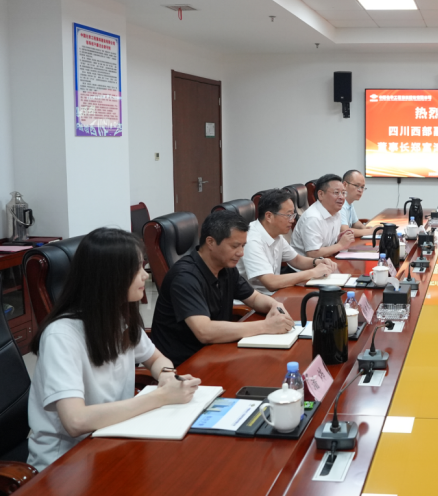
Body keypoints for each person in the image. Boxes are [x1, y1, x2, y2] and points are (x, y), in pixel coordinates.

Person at [27, 228, 202, 471]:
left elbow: (155, 358)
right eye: (137, 268)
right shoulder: (61, 336)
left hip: (113, 437)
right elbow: (76, 421)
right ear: (110, 276)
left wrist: (166, 376)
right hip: (66, 463)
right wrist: (160, 397)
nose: (145, 275)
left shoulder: (119, 316)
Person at [152, 211, 294, 366]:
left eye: (243, 246)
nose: (241, 253)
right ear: (211, 242)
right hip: (185, 365)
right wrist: (266, 326)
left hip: (217, 352)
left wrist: (275, 305)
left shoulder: (225, 267)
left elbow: (254, 298)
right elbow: (204, 331)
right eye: (235, 246)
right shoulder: (185, 277)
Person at [239, 189, 338, 294]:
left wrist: (316, 262)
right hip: (256, 299)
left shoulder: (275, 234)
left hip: (275, 294)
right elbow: (271, 282)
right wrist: (313, 272)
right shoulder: (252, 240)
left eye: (293, 215)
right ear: (269, 216)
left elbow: (296, 260)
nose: (292, 220)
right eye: (288, 215)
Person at [291, 173, 355, 259]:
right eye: (336, 192)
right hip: (306, 265)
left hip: (325, 261)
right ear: (321, 194)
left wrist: (338, 240)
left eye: (343, 193)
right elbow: (313, 254)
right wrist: (340, 245)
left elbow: (327, 244)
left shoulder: (336, 212)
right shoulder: (313, 218)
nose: (341, 197)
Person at [340, 169, 373, 237]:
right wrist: (371, 231)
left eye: (362, 187)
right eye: (357, 186)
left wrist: (365, 228)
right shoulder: (340, 203)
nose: (360, 190)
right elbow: (345, 231)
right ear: (345, 185)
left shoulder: (349, 203)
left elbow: (355, 222)